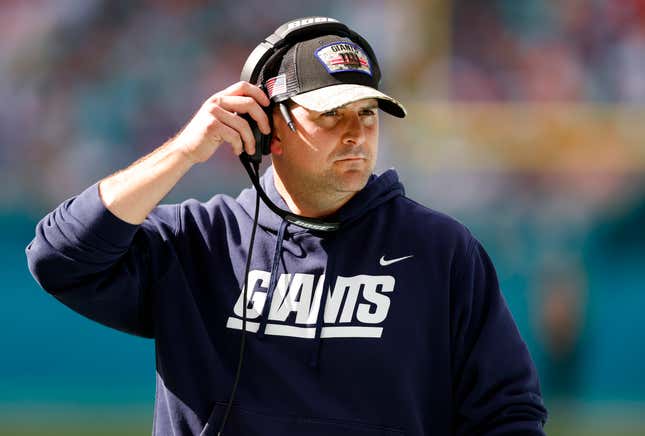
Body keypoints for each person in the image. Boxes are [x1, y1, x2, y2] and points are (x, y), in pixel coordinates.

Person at [26, 16, 547, 436]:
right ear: (264, 128)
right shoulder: (198, 243)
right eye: (330, 115)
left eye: (368, 113)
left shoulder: (441, 250)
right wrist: (185, 150)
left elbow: (508, 415)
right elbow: (58, 257)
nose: (356, 135)